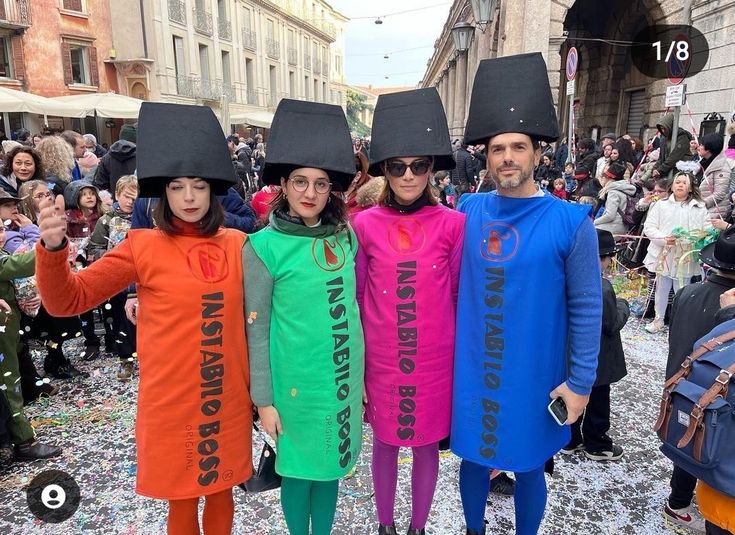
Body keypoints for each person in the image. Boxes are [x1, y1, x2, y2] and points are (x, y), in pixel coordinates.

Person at [35, 102, 253, 534]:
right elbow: (67, 301)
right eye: (176, 186)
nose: (189, 197)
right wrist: (53, 250)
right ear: (162, 192)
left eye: (198, 186)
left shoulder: (240, 244)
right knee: (182, 494)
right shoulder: (143, 245)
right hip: (171, 400)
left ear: (213, 191)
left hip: (225, 394)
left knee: (223, 489)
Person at [455, 52, 602, 535]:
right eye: (498, 149)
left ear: (538, 155)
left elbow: (586, 308)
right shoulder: (469, 209)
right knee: (475, 459)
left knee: (529, 466)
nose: (508, 158)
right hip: (477, 369)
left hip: (536, 374)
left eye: (518, 147)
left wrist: (580, 384)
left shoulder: (569, 221)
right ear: (487, 156)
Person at [244, 99, 364, 535]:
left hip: (340, 381)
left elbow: (352, 311)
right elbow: (255, 331)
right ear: (283, 185)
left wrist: (362, 379)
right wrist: (263, 401)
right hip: (293, 389)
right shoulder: (262, 247)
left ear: (331, 189)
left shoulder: (345, 236)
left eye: (319, 183)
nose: (310, 193)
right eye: (299, 182)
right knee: (297, 471)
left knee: (331, 466)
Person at [353, 87, 464, 535]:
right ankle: (385, 526)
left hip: (434, 362)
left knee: (424, 446)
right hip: (381, 361)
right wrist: (358, 367)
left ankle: (417, 528)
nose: (408, 175)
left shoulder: (454, 224)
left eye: (418, 166)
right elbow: (359, 298)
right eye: (398, 167)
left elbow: (457, 296)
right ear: (385, 170)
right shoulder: (363, 224)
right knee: (384, 442)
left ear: (431, 168)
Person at [659, 227, 735, 532]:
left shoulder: (688, 292)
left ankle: (678, 500)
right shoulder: (727, 310)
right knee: (709, 445)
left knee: (687, 442)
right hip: (715, 395)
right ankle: (680, 504)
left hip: (680, 381)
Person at [561, 229, 628, 461]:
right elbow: (611, 323)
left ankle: (569, 438)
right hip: (599, 358)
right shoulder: (602, 287)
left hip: (572, 352)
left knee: (573, 393)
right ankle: (597, 442)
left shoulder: (566, 277)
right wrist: (623, 305)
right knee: (598, 401)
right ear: (602, 258)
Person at [0, 226, 62, 461]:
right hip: (3, 331)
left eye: (0, 230)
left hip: (10, 329)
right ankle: (24, 441)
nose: (0, 236)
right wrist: (48, 247)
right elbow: (17, 266)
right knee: (8, 382)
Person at [643, 166, 710, 334]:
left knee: (682, 288)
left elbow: (706, 228)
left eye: (684, 183)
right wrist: (664, 239)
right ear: (672, 186)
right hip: (664, 253)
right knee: (661, 287)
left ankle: (678, 321)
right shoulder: (661, 205)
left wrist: (696, 238)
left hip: (685, 255)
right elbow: (649, 227)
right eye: (677, 182)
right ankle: (659, 319)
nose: (680, 185)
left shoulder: (699, 207)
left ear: (690, 187)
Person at [88, 175, 139, 380]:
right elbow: (94, 248)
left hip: (141, 278)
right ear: (117, 195)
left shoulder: (144, 217)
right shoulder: (106, 220)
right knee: (120, 322)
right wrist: (109, 255)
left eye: (136, 197)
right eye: (127, 196)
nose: (131, 201)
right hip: (117, 280)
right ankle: (126, 360)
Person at [594, 161, 637, 235]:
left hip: (612, 227)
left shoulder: (613, 192)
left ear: (609, 178)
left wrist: (594, 222)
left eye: (605, 177)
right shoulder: (624, 188)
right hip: (622, 226)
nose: (603, 178)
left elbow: (610, 215)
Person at [93, 128, 137, 199]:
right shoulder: (141, 156)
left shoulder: (106, 158)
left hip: (114, 202)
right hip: (137, 202)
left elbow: (100, 185)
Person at [698, 133, 731, 224]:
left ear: (709, 148)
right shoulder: (703, 163)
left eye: (701, 145)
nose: (698, 147)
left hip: (714, 214)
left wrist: (701, 204)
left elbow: (719, 194)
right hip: (701, 211)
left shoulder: (721, 167)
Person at [652, 113, 693, 179]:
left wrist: (660, 170)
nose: (662, 131)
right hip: (666, 169)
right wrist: (655, 169)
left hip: (680, 169)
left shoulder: (682, 137)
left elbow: (675, 156)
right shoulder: (663, 137)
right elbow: (661, 157)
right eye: (661, 128)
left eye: (664, 128)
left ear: (670, 126)